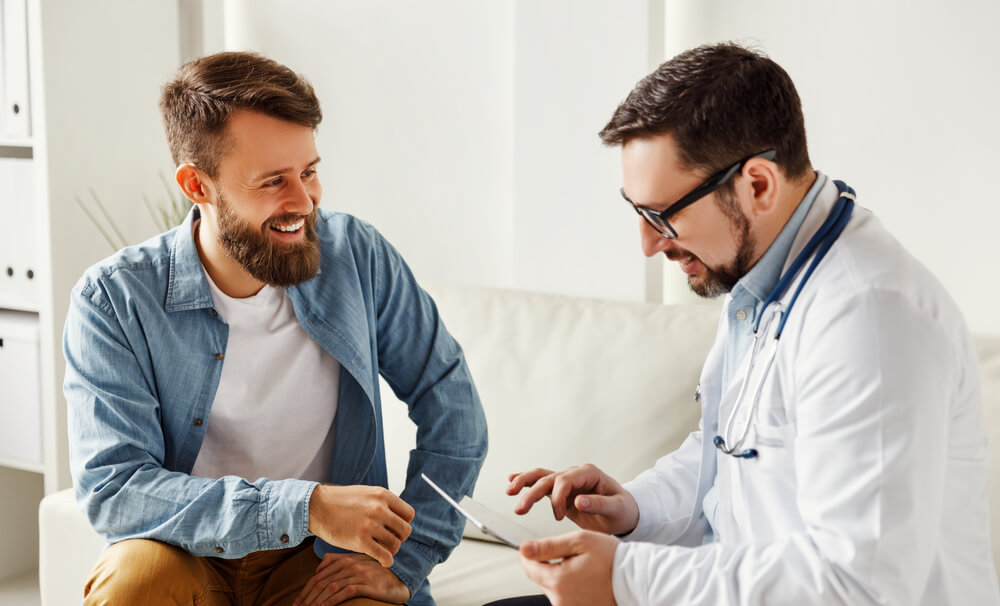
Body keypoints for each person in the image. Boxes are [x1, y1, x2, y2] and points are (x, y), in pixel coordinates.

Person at [492, 42, 999, 605]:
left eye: (662, 215)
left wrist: (627, 578)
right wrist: (632, 509)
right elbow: (729, 459)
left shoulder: (869, 318)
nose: (647, 242)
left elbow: (859, 585)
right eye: (637, 211)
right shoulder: (763, 280)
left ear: (758, 185)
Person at [63, 51, 487, 606]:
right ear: (197, 185)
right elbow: (114, 490)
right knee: (132, 583)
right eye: (272, 182)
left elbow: (452, 405)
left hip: (318, 559)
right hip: (182, 552)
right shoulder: (114, 299)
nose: (303, 202)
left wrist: (408, 560)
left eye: (309, 172)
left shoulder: (357, 258)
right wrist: (305, 505)